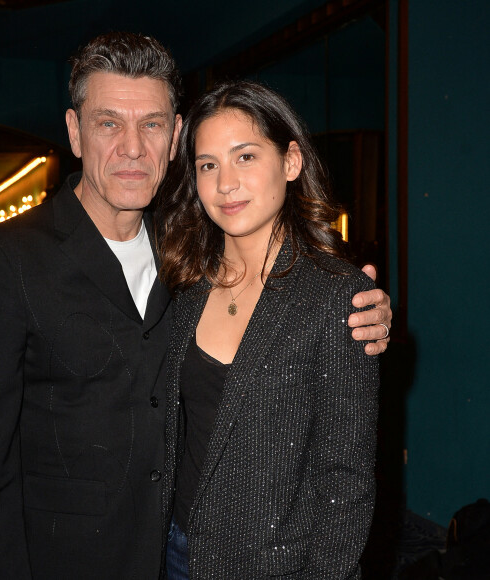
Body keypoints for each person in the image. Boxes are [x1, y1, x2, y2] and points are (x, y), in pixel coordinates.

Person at [0, 33, 390, 580]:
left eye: (152, 124)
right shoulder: (10, 258)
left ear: (175, 134)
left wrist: (367, 310)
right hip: (65, 556)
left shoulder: (184, 252)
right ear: (74, 131)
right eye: (109, 122)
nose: (132, 147)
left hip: (178, 552)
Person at [158, 80, 380, 579]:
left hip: (273, 563)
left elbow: (346, 479)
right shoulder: (186, 284)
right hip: (175, 544)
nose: (225, 184)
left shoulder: (335, 296)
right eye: (208, 165)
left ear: (291, 162)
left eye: (246, 157)